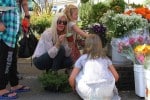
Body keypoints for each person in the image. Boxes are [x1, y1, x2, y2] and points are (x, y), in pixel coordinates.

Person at [69, 34, 120, 100]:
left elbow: (71, 79)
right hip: (106, 91)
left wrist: (74, 88)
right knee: (109, 71)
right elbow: (116, 76)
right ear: (100, 45)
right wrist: (109, 85)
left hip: (87, 92)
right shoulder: (105, 58)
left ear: (86, 44)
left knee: (78, 73)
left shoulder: (82, 58)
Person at [0, 0, 30, 99]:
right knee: (5, 61)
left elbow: (22, 4)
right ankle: (1, 89)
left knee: (12, 60)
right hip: (4, 35)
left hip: (12, 35)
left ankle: (14, 84)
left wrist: (27, 16)